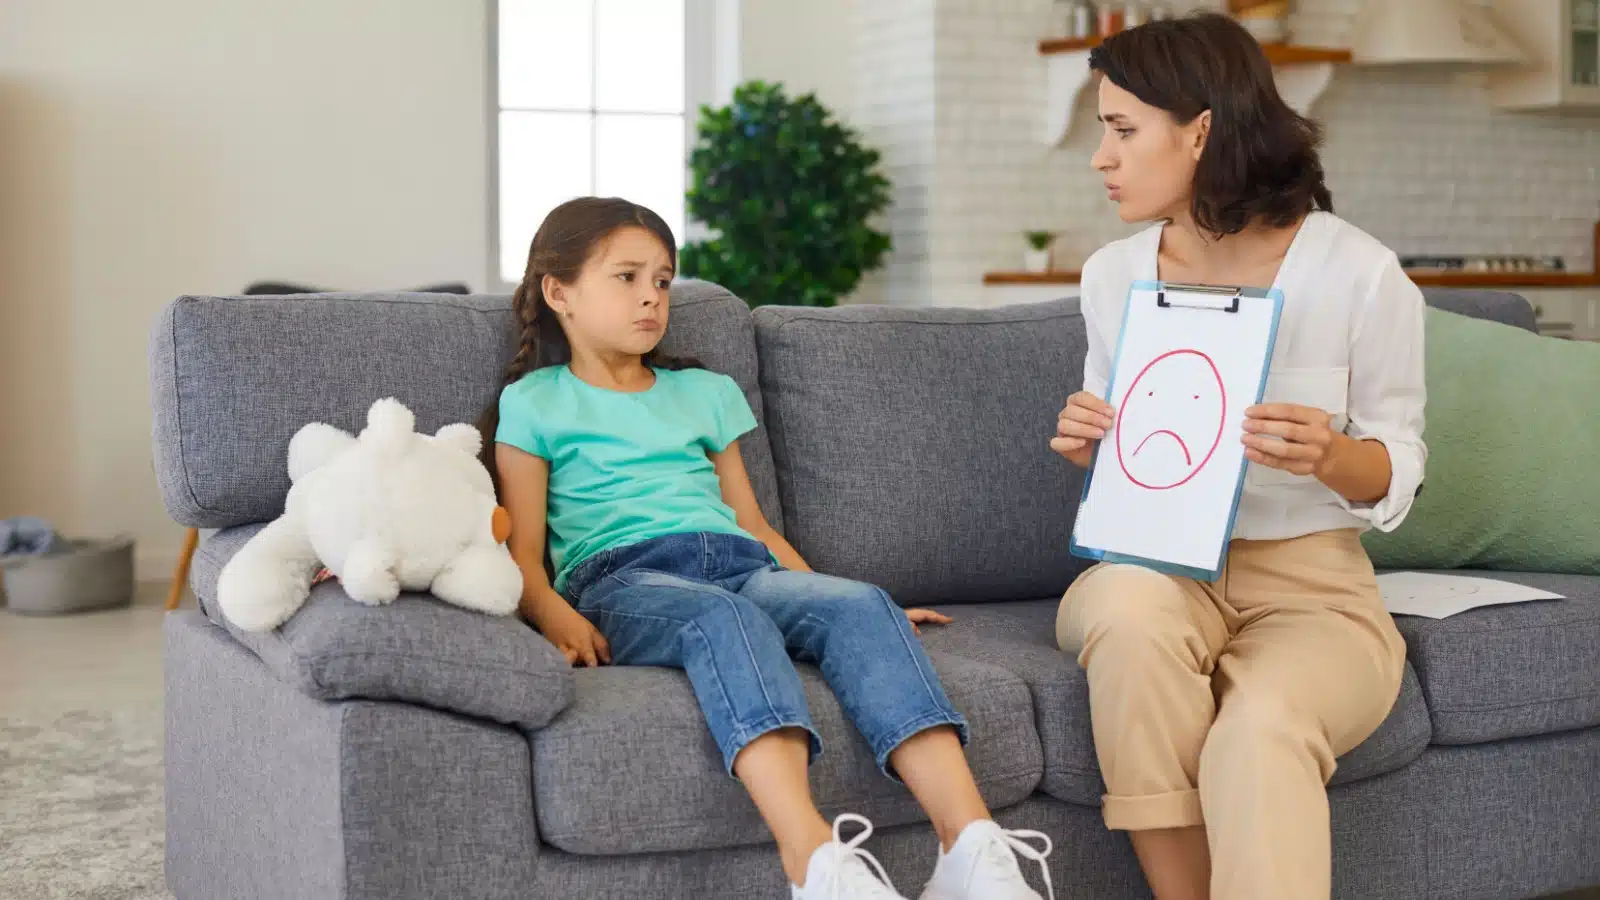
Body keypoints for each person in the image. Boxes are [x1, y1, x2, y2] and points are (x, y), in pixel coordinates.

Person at [485, 196, 1053, 900]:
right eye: (627, 277)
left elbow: (753, 524)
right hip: (626, 580)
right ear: (559, 291)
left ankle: (970, 849)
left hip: (741, 564)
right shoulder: (535, 402)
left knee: (861, 603)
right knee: (726, 621)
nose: (651, 298)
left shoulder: (704, 390)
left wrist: (835, 604)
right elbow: (526, 551)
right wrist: (551, 611)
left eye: (662, 281)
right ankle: (813, 863)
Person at [1049, 14, 1425, 900]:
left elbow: (1399, 462)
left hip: (1315, 589)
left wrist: (1334, 455)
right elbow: (1132, 464)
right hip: (1160, 565)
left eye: (1122, 130)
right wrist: (1090, 445)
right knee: (1129, 617)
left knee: (1258, 730)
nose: (1102, 158)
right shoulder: (1113, 274)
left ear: (1202, 130)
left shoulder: (1359, 274)